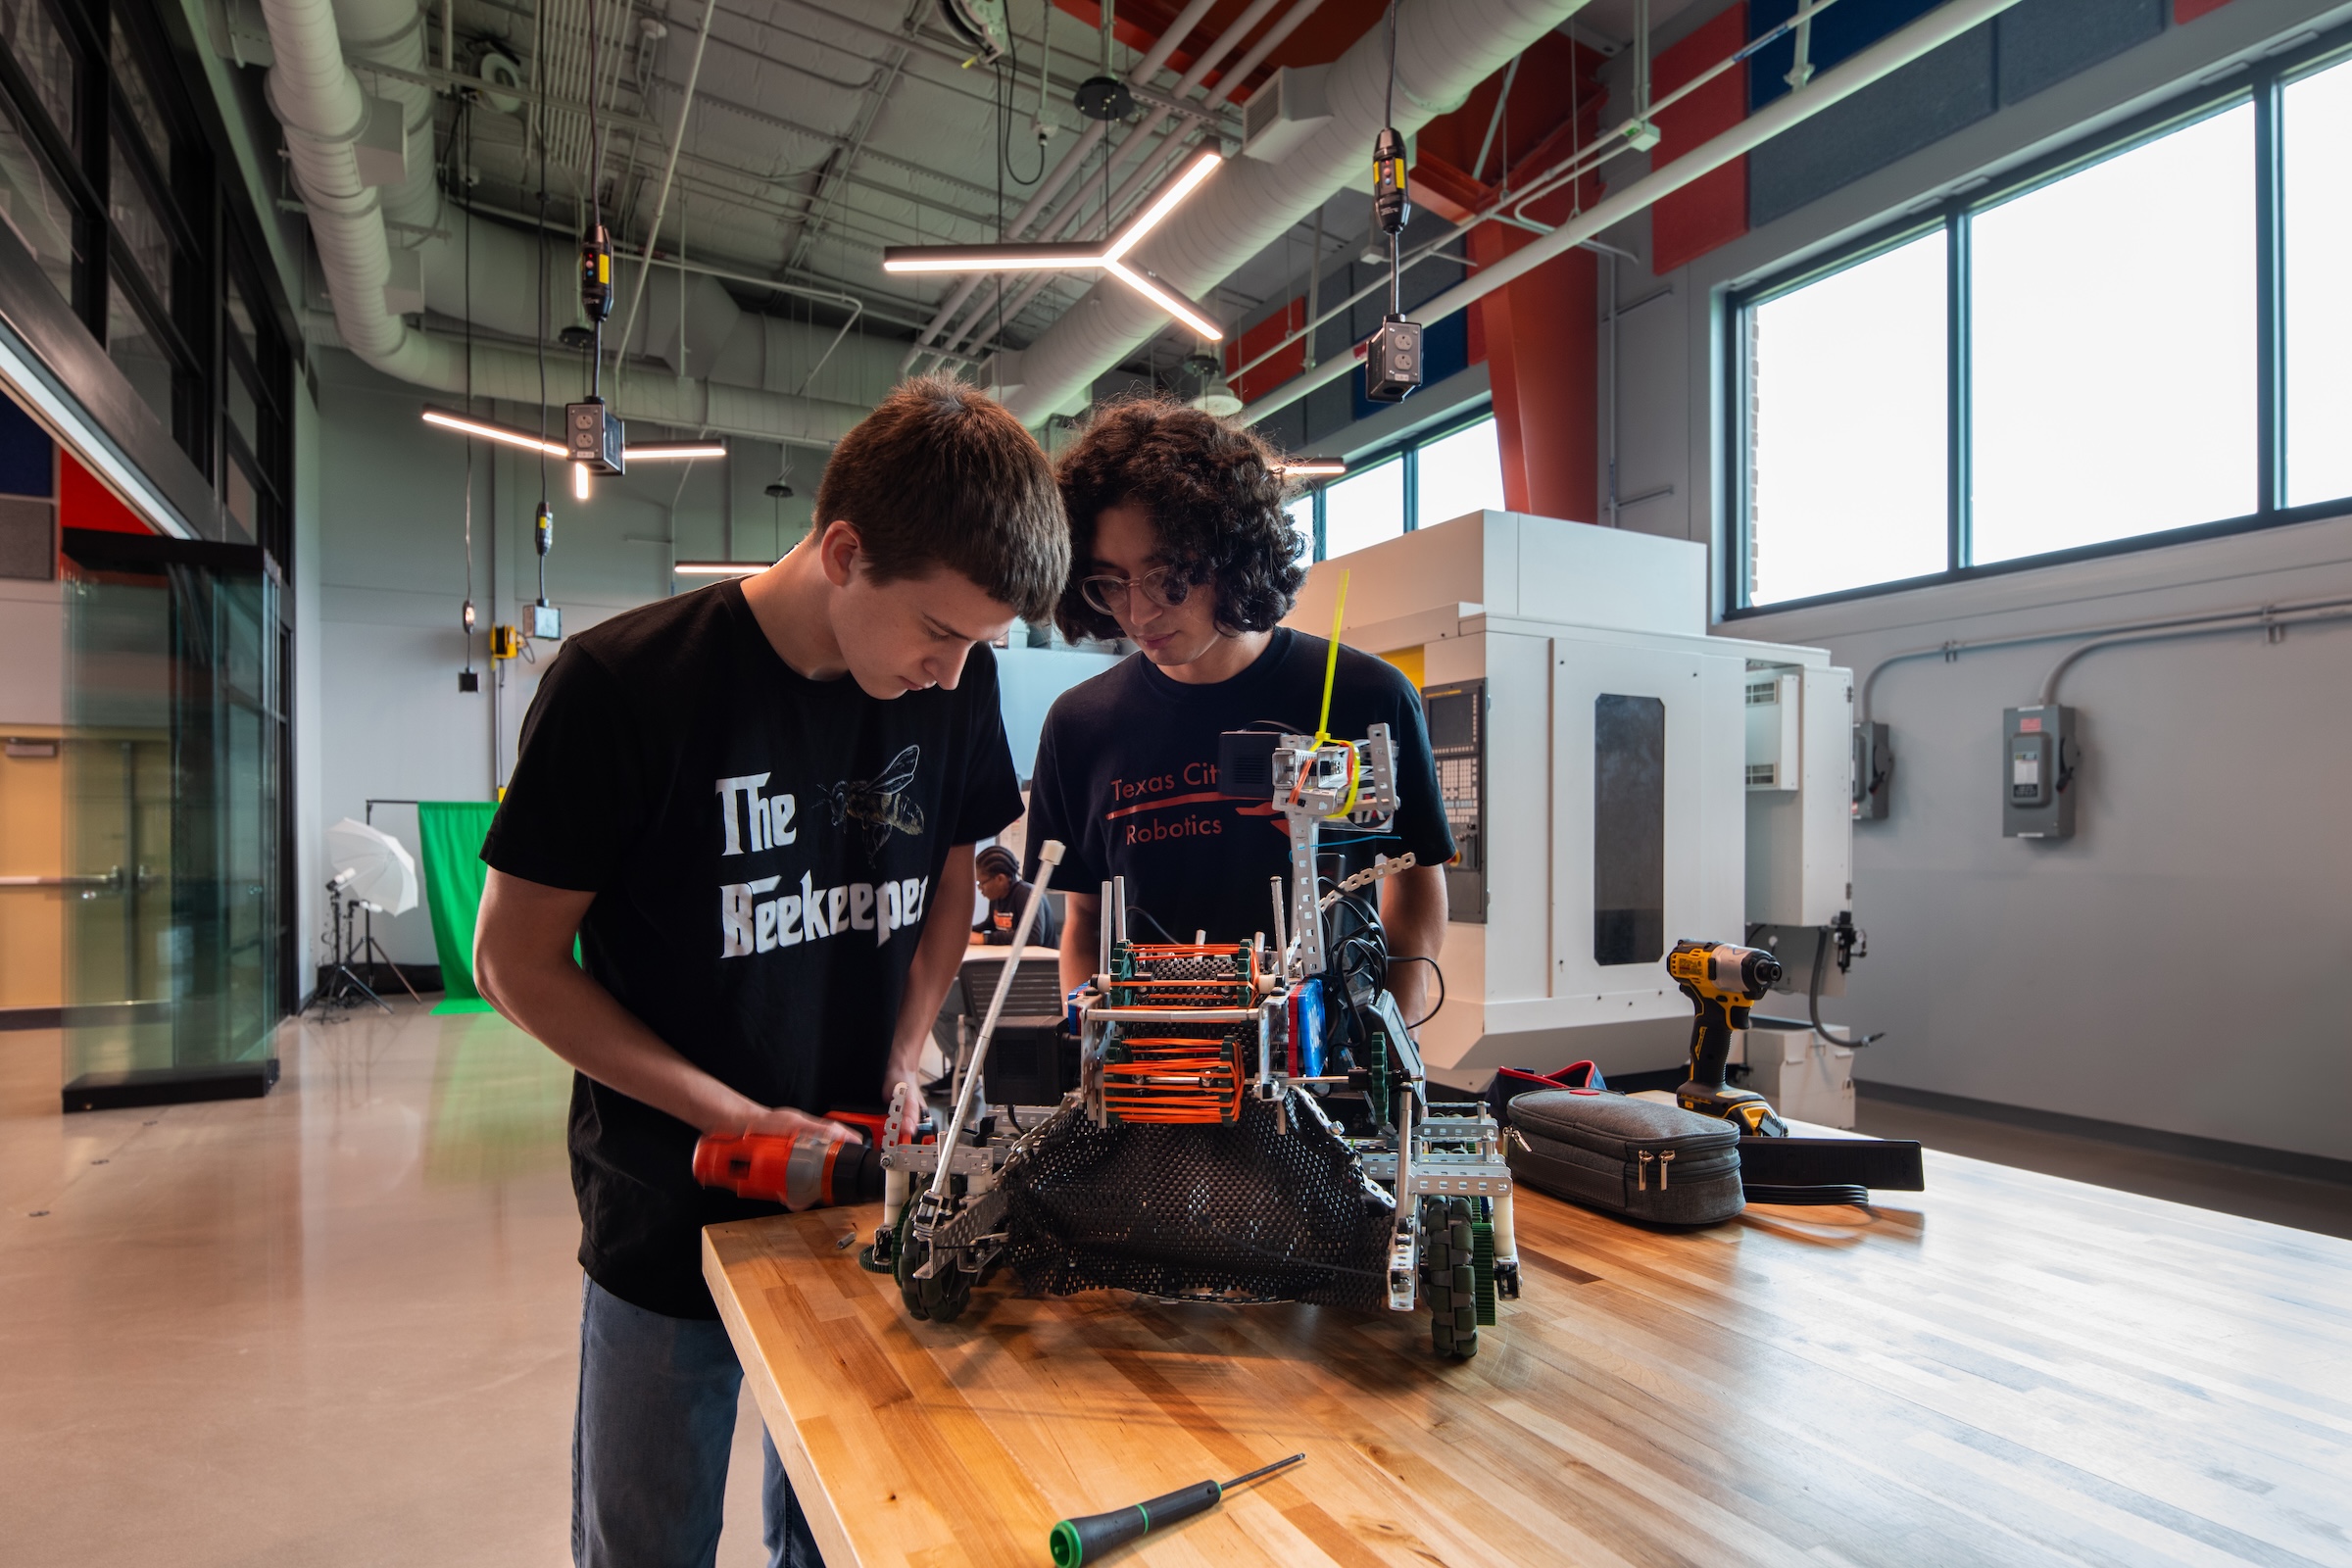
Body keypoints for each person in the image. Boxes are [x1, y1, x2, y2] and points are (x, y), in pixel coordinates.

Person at [469, 378, 1066, 1568]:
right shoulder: (623, 688)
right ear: (844, 552)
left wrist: (908, 1045)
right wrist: (734, 1116)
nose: (954, 675)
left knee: (839, 1536)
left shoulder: (959, 684)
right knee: (649, 1545)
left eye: (979, 646)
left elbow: (954, 879)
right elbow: (512, 961)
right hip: (670, 1210)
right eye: (940, 634)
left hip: (867, 1201)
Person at [1022, 400, 1453, 1029]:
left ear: (1228, 556)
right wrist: (1097, 1055)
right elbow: (1085, 922)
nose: (1138, 614)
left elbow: (1414, 880)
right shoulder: (1079, 726)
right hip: (1153, 1081)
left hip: (1323, 1077)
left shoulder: (1369, 698)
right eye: (1111, 582)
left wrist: (1389, 1041)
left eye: (1167, 578)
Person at [969, 844, 1061, 949]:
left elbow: (1032, 937)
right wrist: (967, 932)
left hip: (1040, 961)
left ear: (1000, 879)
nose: (980, 888)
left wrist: (985, 938)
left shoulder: (1026, 894)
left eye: (982, 883)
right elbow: (990, 924)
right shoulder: (997, 896)